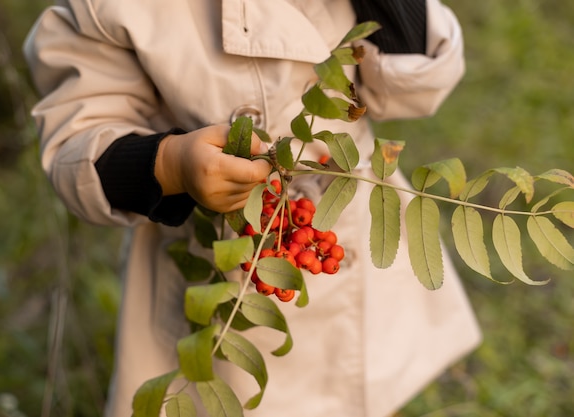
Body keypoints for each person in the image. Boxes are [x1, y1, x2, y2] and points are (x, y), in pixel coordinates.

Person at [24, 1, 481, 416]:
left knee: (364, 390)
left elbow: (413, 88)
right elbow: (77, 142)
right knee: (218, 397)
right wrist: (170, 166)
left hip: (349, 230)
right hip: (218, 276)